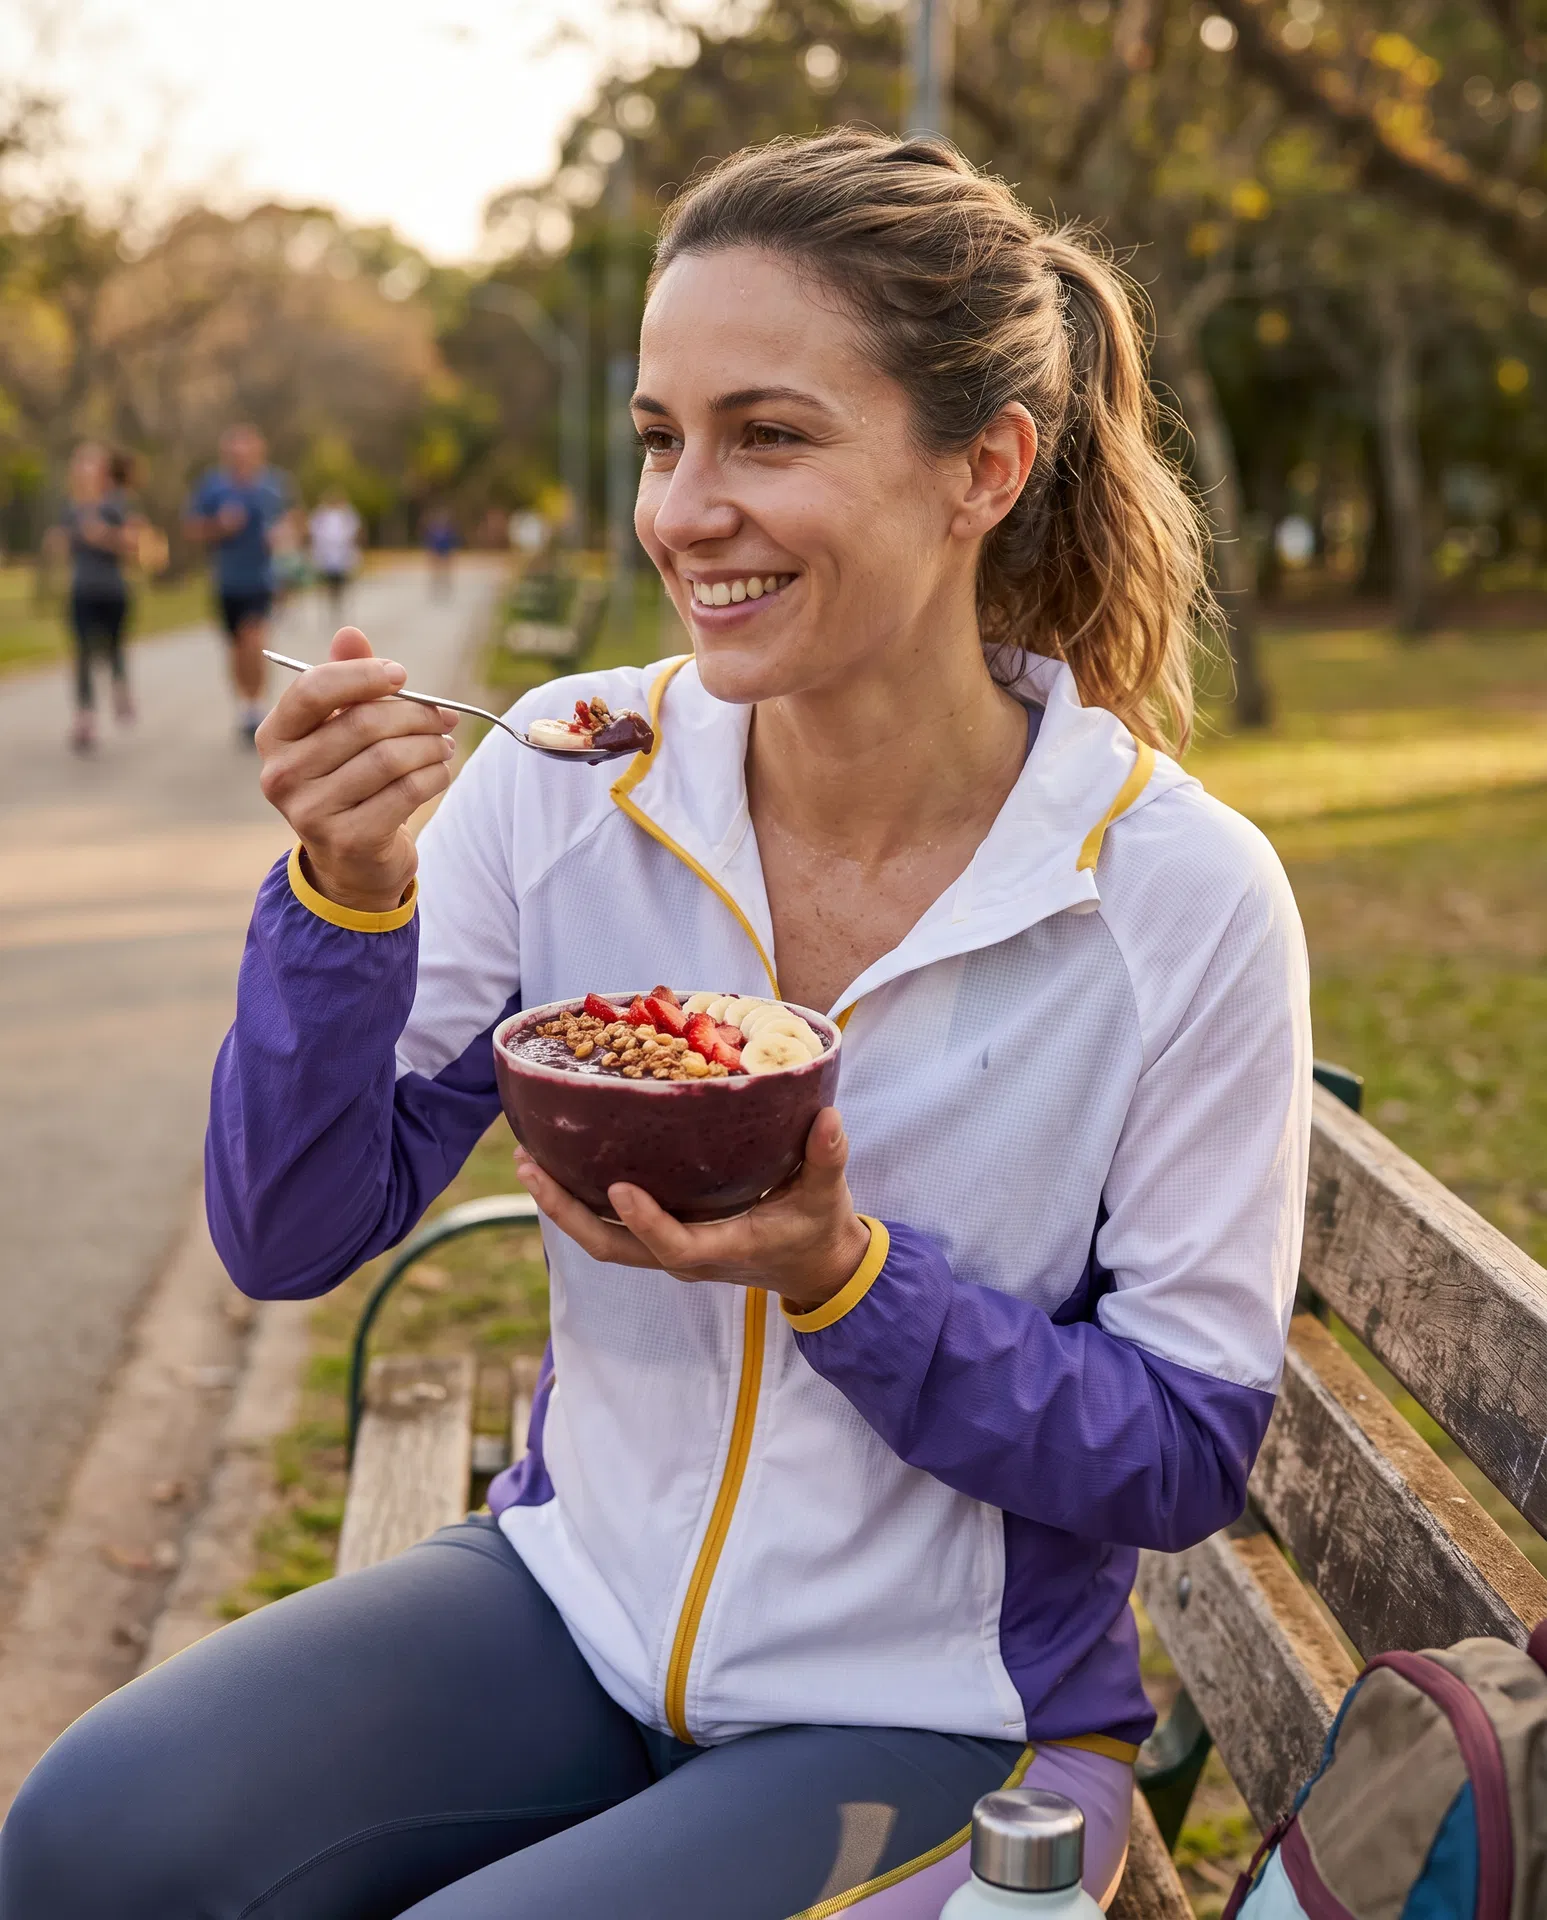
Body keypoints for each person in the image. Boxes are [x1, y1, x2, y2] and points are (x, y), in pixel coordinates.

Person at [0, 133, 1311, 1918]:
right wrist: (344, 897)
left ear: (983, 469)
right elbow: (290, 1232)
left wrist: (842, 1280)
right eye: (658, 438)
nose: (684, 510)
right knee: (87, 1840)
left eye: (766, 437)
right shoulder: (567, 779)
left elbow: (1180, 1450)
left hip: (941, 1720)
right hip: (574, 1604)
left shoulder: (1170, 900)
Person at [183, 423, 293, 745]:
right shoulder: (212, 487)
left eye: (246, 452)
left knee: (254, 640)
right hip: (226, 581)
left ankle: (257, 706)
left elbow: (292, 522)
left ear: (258, 452)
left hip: (261, 579)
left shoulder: (273, 485)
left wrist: (283, 536)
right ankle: (245, 706)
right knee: (235, 648)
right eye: (234, 453)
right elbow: (192, 528)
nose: (240, 458)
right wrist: (219, 525)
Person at [59, 442, 143, 754]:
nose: (85, 472)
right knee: (82, 651)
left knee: (114, 647)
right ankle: (85, 718)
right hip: (82, 590)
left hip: (113, 590)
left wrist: (104, 535)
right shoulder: (71, 509)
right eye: (81, 466)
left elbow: (134, 543)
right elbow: (65, 544)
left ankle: (120, 689)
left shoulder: (116, 505)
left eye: (91, 466)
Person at [309, 489, 363, 616]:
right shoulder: (321, 515)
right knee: (328, 583)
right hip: (326, 555)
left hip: (342, 555)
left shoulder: (347, 514)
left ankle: (340, 606)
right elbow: (314, 532)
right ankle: (331, 606)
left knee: (342, 583)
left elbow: (354, 531)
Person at [422, 504, 459, 596]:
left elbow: (452, 541)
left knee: (445, 570)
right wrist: (431, 553)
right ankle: (436, 586)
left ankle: (446, 585)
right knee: (437, 570)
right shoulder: (433, 529)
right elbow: (430, 542)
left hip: (445, 551)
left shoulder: (448, 529)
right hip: (437, 551)